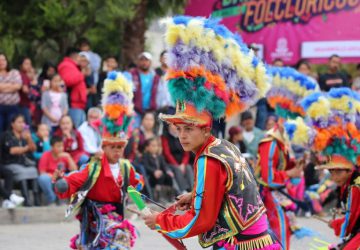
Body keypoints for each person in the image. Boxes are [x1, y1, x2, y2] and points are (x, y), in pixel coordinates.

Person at [142, 16, 279, 249]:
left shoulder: (208, 159)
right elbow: (228, 187)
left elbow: (202, 220)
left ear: (205, 129)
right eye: (179, 129)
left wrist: (160, 220)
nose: (182, 135)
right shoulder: (223, 146)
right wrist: (194, 194)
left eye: (189, 128)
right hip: (259, 240)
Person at [54, 71, 143, 249]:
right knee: (111, 238)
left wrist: (143, 208)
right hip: (94, 215)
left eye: (120, 147)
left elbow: (133, 188)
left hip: (116, 215)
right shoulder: (93, 168)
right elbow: (72, 182)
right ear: (104, 147)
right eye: (113, 147)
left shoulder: (126, 168)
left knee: (119, 239)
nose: (117, 151)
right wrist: (60, 181)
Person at [284, 88, 360, 249]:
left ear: (349, 170)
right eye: (331, 171)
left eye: (337, 171)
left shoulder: (355, 186)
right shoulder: (350, 183)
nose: (333, 176)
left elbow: (351, 221)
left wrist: (337, 224)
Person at [259, 67, 319, 249]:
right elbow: (267, 178)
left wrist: (299, 165)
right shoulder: (269, 143)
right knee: (278, 237)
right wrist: (290, 172)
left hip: (280, 194)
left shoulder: (283, 141)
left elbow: (287, 167)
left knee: (284, 235)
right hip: (267, 196)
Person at [0, 114, 40, 206]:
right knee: (22, 172)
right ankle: (26, 200)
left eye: (23, 122)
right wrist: (26, 148)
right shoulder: (7, 135)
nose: (22, 124)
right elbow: (12, 150)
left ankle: (36, 199)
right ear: (12, 124)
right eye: (19, 122)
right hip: (10, 163)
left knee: (33, 170)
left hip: (22, 164)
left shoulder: (25, 136)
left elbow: (33, 148)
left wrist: (29, 138)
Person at [38, 136, 77, 205]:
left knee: (76, 174)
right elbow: (42, 172)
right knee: (42, 178)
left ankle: (68, 199)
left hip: (63, 178)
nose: (61, 148)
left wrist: (69, 157)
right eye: (58, 146)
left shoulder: (65, 156)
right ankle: (51, 199)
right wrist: (55, 176)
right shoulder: (45, 155)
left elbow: (75, 170)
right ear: (52, 147)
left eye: (62, 146)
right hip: (51, 179)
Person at [58, 47, 87, 128]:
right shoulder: (66, 65)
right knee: (75, 129)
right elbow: (67, 81)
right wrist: (82, 75)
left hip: (79, 104)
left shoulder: (73, 66)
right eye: (80, 57)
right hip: (73, 104)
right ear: (75, 56)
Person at [130, 52, 161, 126]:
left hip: (150, 111)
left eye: (146, 60)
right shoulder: (132, 74)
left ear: (150, 62)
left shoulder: (155, 77)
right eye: (142, 60)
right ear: (138, 61)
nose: (144, 62)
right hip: (135, 110)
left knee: (148, 134)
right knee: (135, 133)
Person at [161, 123, 194, 193]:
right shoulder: (164, 137)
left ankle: (192, 189)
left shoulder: (183, 136)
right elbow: (167, 153)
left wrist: (183, 164)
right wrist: (176, 165)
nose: (175, 127)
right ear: (169, 126)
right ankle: (183, 190)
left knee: (188, 167)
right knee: (176, 169)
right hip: (170, 163)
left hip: (182, 163)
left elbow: (186, 152)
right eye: (173, 125)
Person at [0, 52, 22, 132]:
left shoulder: (14, 72)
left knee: (11, 129)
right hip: (0, 106)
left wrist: (2, 88)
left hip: (13, 107)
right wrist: (11, 86)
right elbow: (14, 86)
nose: (1, 62)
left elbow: (18, 86)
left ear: (7, 61)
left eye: (3, 60)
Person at [18, 56, 33, 126]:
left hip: (24, 105)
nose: (29, 66)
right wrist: (37, 93)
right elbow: (25, 90)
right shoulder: (22, 75)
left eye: (30, 64)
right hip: (22, 105)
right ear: (21, 65)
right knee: (26, 126)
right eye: (26, 64)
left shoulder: (26, 76)